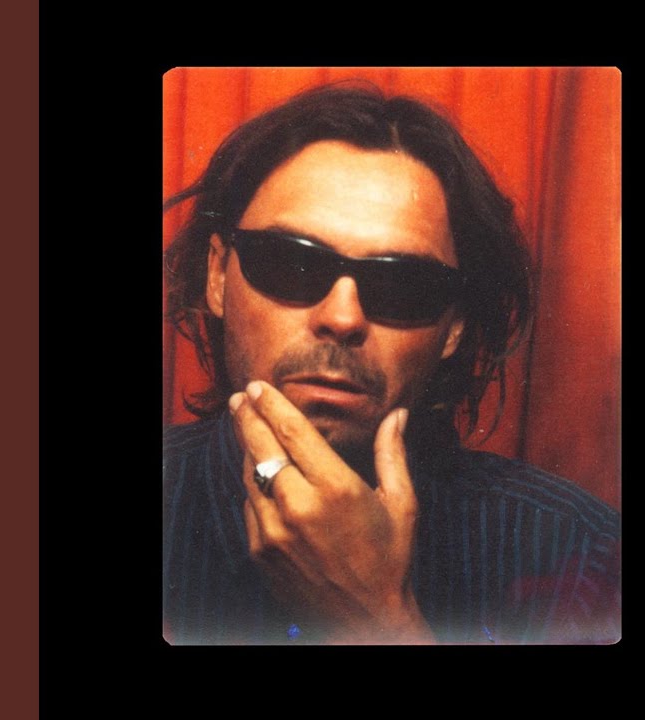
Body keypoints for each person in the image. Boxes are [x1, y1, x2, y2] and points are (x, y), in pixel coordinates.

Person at [162, 82, 620, 644]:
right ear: (216, 277)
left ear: (454, 327)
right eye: (292, 264)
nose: (342, 317)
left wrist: (374, 619)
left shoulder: (578, 553)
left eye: (403, 285)